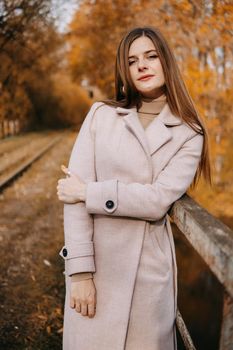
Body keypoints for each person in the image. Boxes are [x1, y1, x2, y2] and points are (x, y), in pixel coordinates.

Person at [57, 26, 211, 350]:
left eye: (151, 56)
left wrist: (89, 192)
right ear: (125, 70)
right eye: (132, 60)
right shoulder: (101, 115)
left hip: (148, 280)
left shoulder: (189, 133)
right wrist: (80, 272)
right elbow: (72, 203)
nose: (142, 65)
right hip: (96, 267)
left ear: (165, 62)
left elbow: (156, 200)